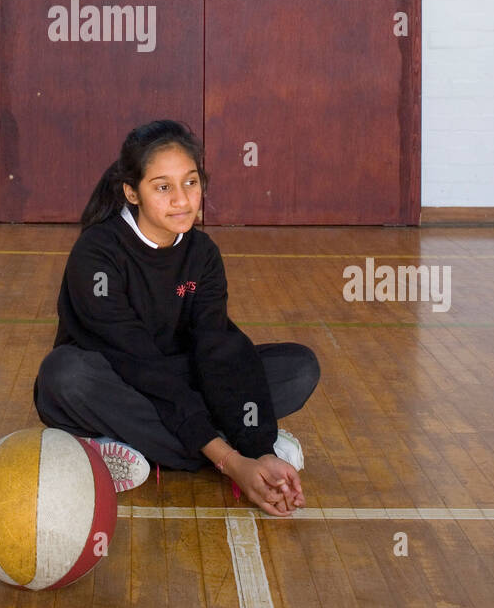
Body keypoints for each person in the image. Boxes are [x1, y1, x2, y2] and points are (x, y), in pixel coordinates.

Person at [33, 119, 321, 518]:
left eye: (191, 182)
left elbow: (217, 349)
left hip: (180, 379)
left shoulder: (202, 254)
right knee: (63, 377)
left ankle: (128, 446)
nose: (182, 200)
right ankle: (216, 445)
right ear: (132, 192)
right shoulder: (97, 254)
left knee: (298, 368)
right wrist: (234, 461)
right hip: (115, 380)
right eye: (163, 187)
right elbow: (138, 363)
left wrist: (257, 444)